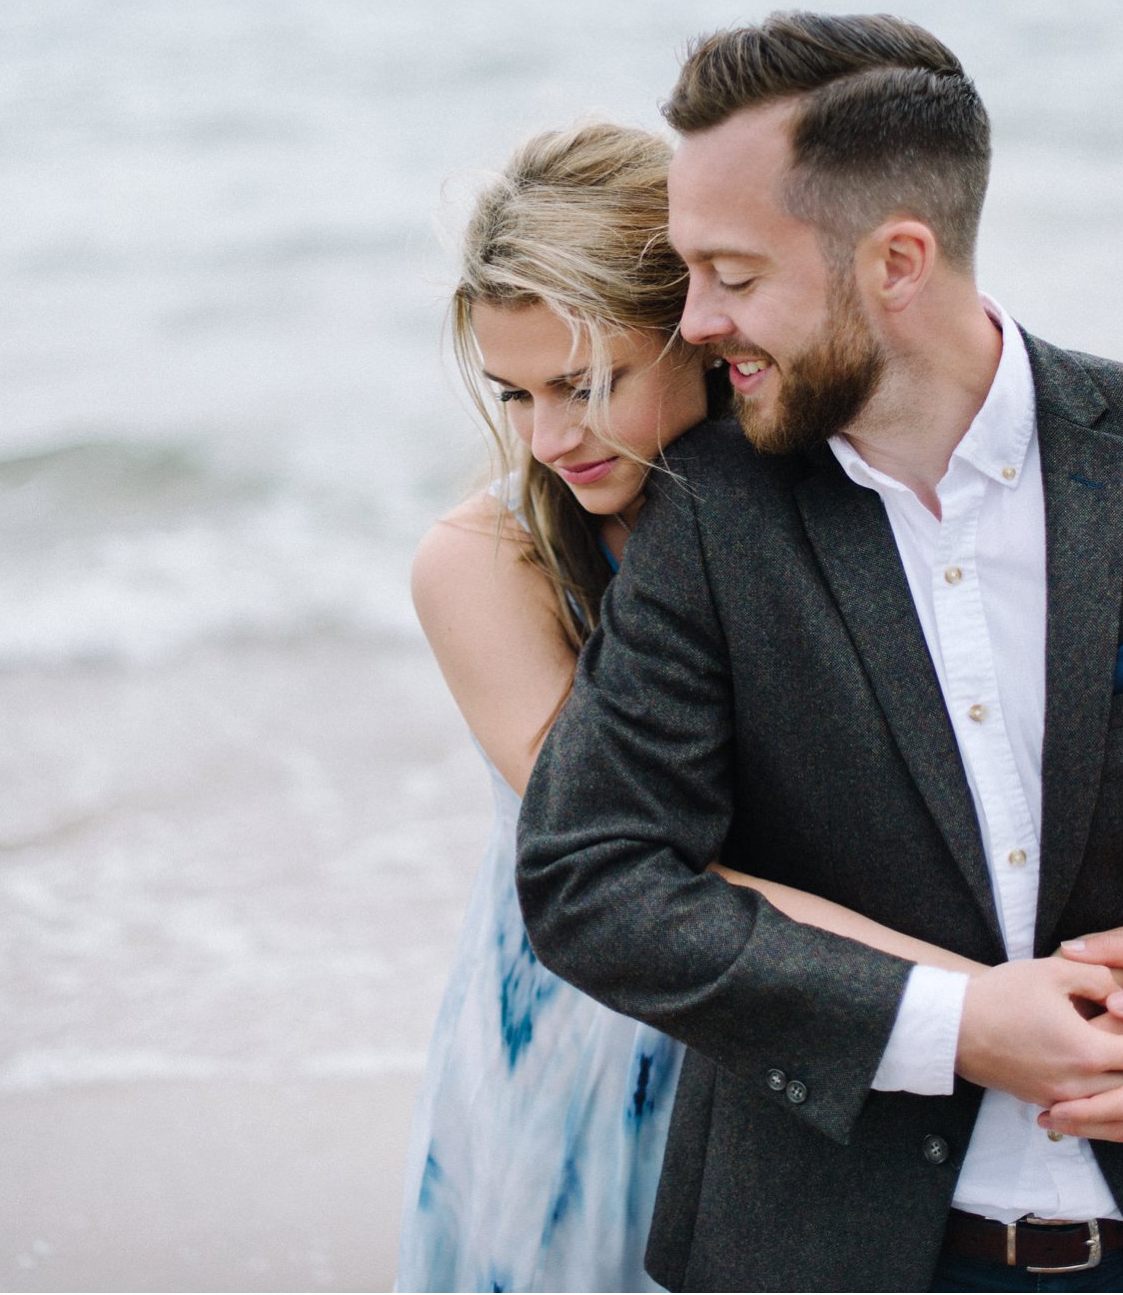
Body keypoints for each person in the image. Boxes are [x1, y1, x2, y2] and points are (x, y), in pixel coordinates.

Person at [516, 16, 1123, 1294]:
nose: (695, 320)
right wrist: (952, 1025)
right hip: (826, 1250)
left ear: (896, 261)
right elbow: (591, 874)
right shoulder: (707, 513)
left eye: (733, 272)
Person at [395, 120, 996, 1294]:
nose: (551, 436)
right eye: (515, 395)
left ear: (706, 332)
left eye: (591, 382)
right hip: (599, 1035)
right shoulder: (487, 560)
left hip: (846, 1006)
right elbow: (640, 865)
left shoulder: (831, 499)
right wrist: (973, 1005)